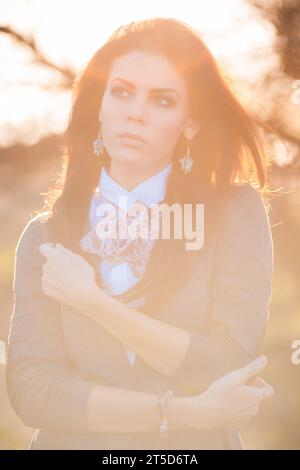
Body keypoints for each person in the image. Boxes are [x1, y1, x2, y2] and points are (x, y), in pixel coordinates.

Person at [6, 17, 274, 450]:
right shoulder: (44, 237)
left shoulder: (235, 214)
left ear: (191, 122)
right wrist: (185, 413)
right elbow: (34, 392)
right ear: (100, 103)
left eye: (163, 100)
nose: (135, 111)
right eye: (122, 92)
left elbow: (228, 364)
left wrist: (93, 303)